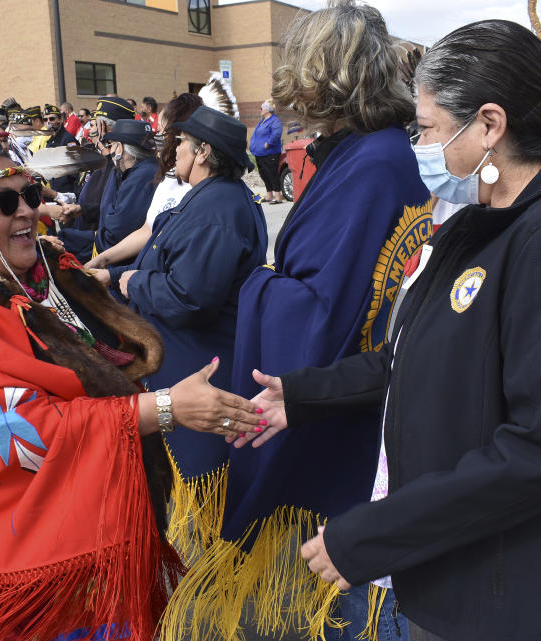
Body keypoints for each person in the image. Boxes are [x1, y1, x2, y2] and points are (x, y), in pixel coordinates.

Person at [235, 19, 541, 641]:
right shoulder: (480, 223)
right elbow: (412, 354)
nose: (416, 145)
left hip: (522, 591)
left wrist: (373, 533)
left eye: (425, 128)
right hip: (470, 570)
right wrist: (306, 393)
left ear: (488, 125)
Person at [0, 145, 263, 641]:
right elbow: (22, 427)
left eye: (30, 194)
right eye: (4, 202)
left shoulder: (48, 273)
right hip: (25, 563)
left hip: (99, 525)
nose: (28, 210)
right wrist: (164, 408)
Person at [167, 4, 429, 639]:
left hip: (347, 417)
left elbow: (322, 313)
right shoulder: (369, 153)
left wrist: (254, 282)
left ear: (329, 76)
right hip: (357, 401)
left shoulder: (370, 167)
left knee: (350, 592)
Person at [108, 106, 268, 570]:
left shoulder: (219, 207)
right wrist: (118, 274)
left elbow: (189, 298)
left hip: (200, 363)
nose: (172, 151)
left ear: (202, 152)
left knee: (209, 501)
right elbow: (163, 256)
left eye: (180, 143)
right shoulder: (208, 196)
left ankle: (221, 585)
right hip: (185, 361)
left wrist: (130, 283)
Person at [85, 93, 202, 274]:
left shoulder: (202, 193)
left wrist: (118, 276)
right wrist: (102, 260)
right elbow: (148, 230)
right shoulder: (169, 179)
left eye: (164, 133)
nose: (159, 141)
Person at [56, 97, 138, 261]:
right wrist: (81, 209)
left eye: (94, 124)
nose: (90, 129)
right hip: (94, 235)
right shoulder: (104, 160)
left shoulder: (123, 164)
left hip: (111, 250)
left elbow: (117, 215)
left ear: (105, 127)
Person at [248, 100, 284, 204]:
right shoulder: (262, 121)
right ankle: (269, 195)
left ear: (267, 110)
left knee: (272, 173)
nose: (260, 110)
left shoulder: (274, 121)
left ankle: (277, 197)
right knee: (264, 174)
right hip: (259, 153)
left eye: (261, 108)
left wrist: (267, 144)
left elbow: (276, 133)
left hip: (270, 152)